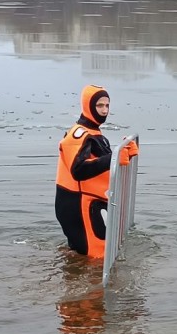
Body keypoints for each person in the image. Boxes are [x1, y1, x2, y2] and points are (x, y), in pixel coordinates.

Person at [55, 84, 139, 258]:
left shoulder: (94, 133)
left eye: (107, 105)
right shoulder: (78, 135)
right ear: (88, 106)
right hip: (79, 204)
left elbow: (103, 162)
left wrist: (126, 153)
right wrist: (113, 157)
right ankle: (85, 283)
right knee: (97, 257)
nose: (104, 110)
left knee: (90, 253)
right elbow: (78, 170)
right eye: (99, 106)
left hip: (91, 202)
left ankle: (72, 269)